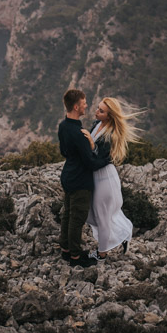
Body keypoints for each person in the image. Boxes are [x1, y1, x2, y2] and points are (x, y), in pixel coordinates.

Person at [57, 88, 111, 267]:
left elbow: (64, 151)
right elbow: (91, 163)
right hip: (80, 180)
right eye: (83, 103)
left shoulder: (64, 126)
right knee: (76, 219)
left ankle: (65, 249)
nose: (86, 105)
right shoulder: (79, 132)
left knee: (68, 215)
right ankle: (75, 256)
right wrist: (108, 159)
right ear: (75, 106)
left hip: (68, 176)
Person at [85, 96, 142, 260]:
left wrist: (89, 143)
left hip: (104, 179)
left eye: (101, 111)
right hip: (96, 178)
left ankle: (101, 255)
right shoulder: (97, 125)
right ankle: (124, 232)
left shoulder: (109, 135)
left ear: (109, 116)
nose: (96, 111)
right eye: (97, 108)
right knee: (94, 215)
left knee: (102, 216)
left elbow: (98, 160)